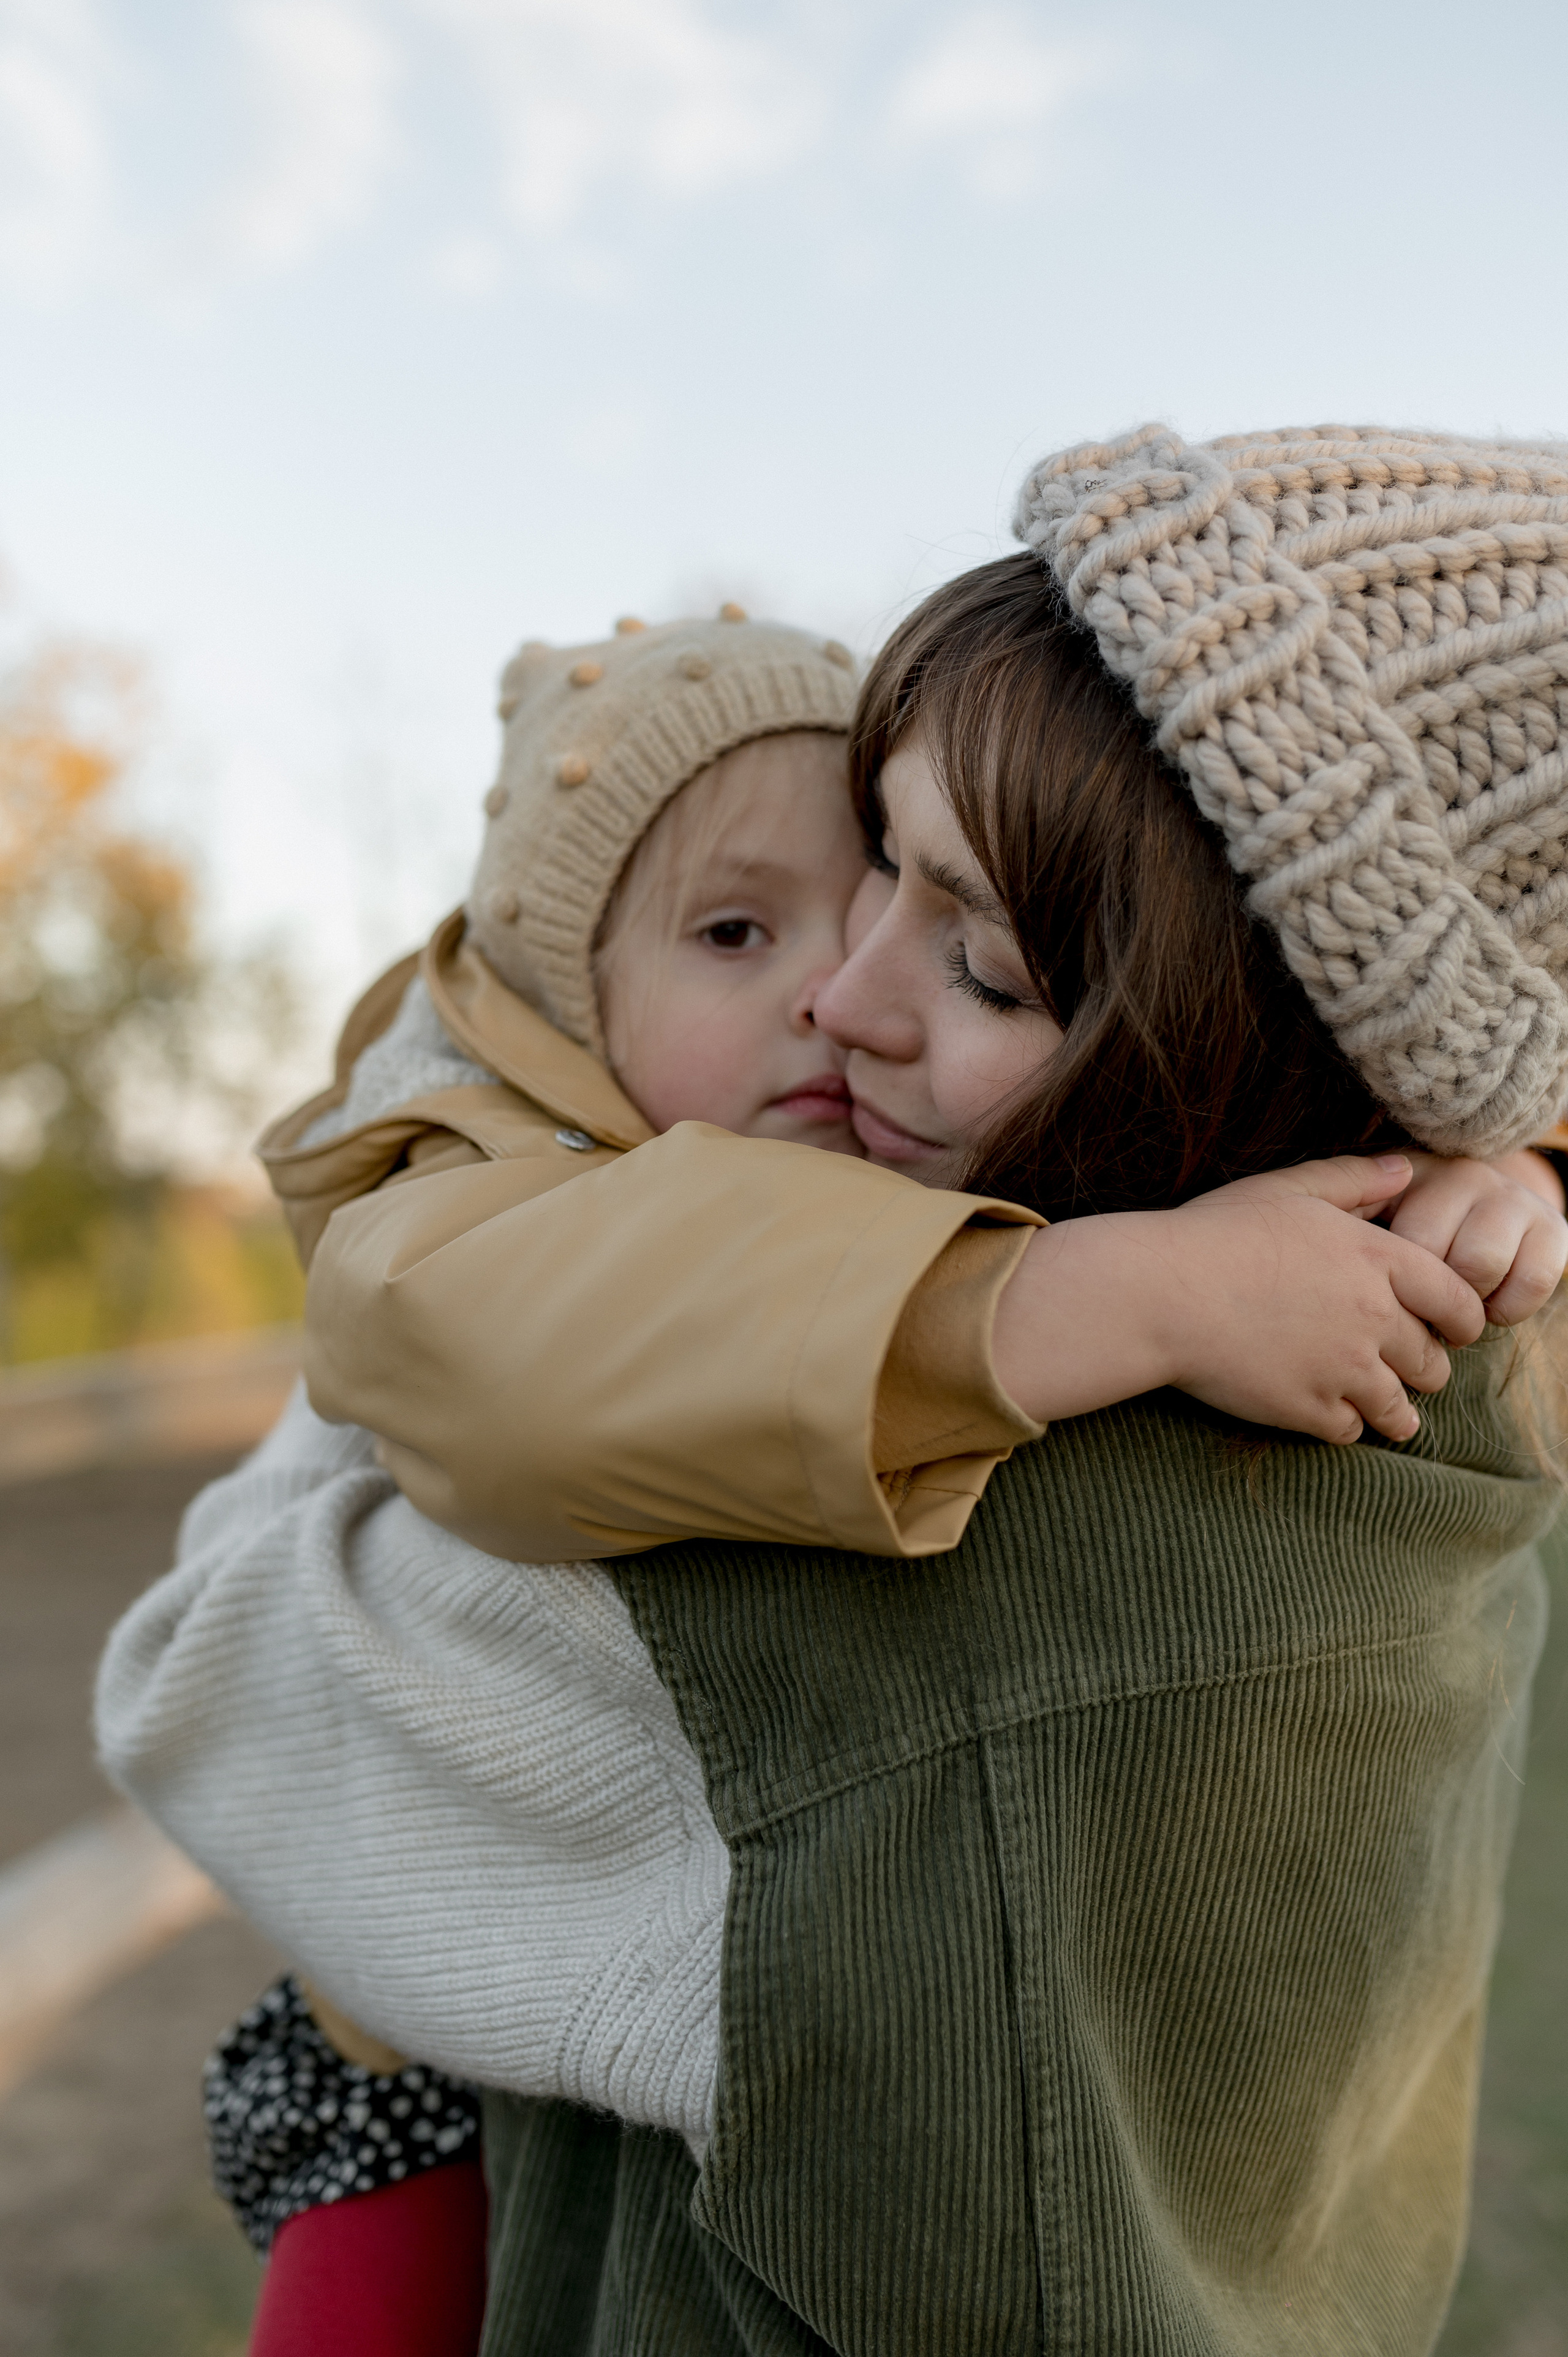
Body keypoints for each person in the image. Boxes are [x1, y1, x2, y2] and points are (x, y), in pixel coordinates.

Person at [230, 426, 1568, 2355]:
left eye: (985, 966)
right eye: (875, 873)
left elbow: (227, 1682)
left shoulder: (1087, 1558)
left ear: (1272, 1051)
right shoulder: (1286, 1324)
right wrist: (1119, 1278)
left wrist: (1500, 1160)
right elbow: (436, 1347)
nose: (839, 1004)